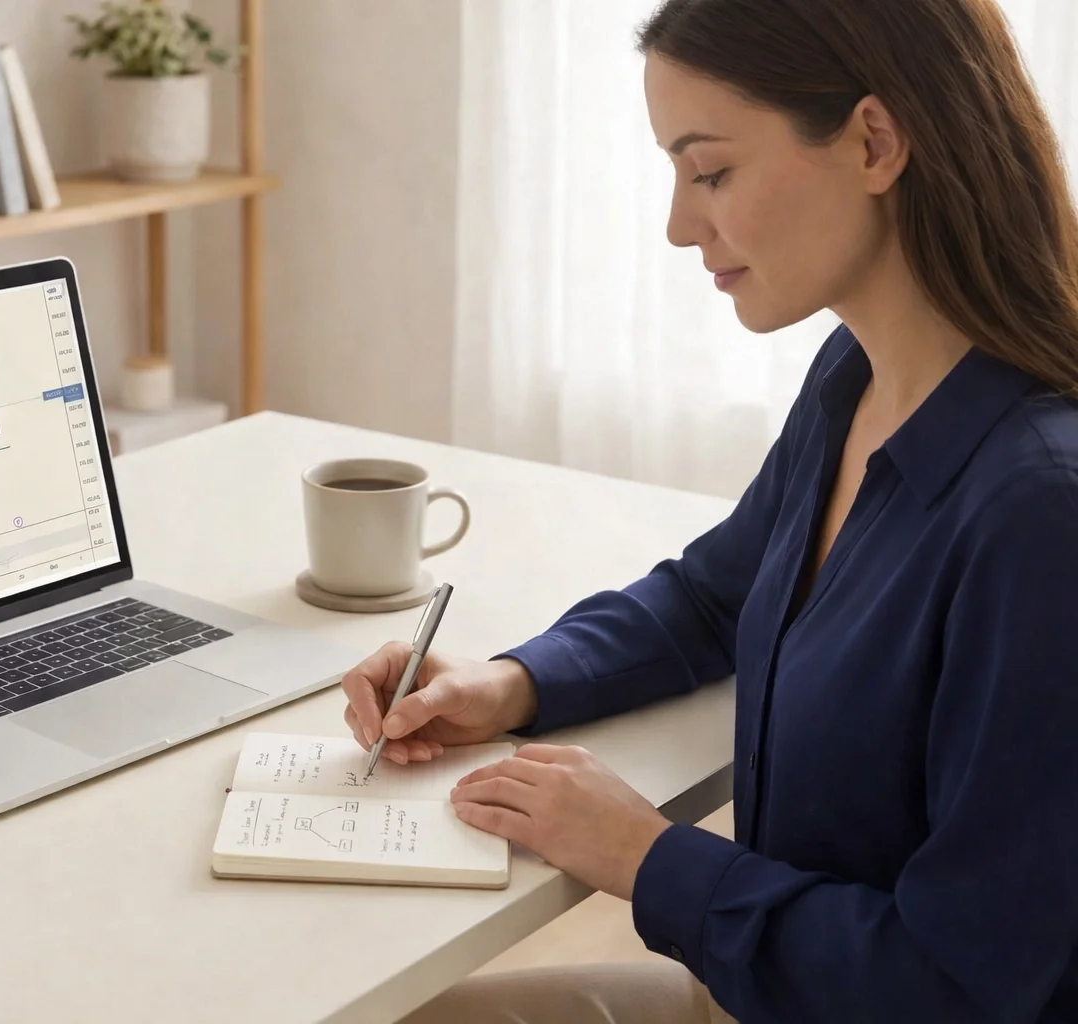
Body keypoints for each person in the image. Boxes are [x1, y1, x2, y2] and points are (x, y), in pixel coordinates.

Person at [341, 1, 1078, 1022]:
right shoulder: (855, 379)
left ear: (875, 142)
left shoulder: (1038, 514)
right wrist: (506, 682)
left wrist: (647, 857)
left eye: (711, 171)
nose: (681, 225)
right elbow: (713, 596)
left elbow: (953, 985)